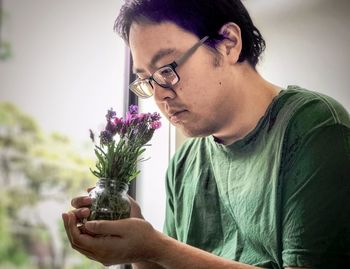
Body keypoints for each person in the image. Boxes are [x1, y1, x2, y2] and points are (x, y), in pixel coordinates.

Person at [62, 0, 350, 268]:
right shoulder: (184, 163)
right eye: (147, 80)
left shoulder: (315, 128)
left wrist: (156, 247)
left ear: (228, 43)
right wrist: (138, 247)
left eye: (166, 69)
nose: (160, 95)